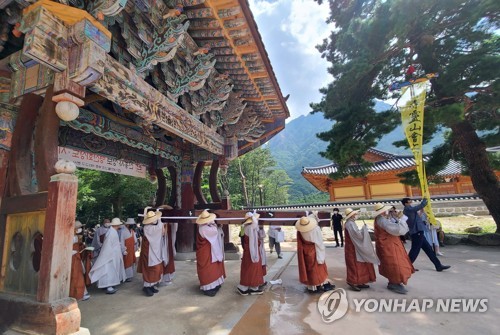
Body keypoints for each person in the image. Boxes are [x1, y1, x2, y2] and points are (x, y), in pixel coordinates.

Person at [374, 203, 415, 294]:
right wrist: (401, 219)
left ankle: (395, 281)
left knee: (394, 263)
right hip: (389, 245)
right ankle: (394, 282)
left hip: (389, 244)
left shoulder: (382, 218)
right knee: (395, 263)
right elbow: (398, 230)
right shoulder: (382, 220)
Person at [402, 198, 450, 272]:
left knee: (429, 250)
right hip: (416, 232)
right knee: (415, 250)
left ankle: (438, 265)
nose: (411, 201)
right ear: (405, 203)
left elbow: (416, 217)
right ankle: (407, 266)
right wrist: (424, 202)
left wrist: (421, 211)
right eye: (409, 201)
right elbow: (418, 207)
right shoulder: (407, 209)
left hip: (418, 231)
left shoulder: (410, 209)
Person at [296, 214, 335, 293]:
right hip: (314, 250)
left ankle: (312, 287)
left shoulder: (300, 230)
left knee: (310, 270)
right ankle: (321, 284)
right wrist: (321, 251)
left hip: (305, 251)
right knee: (318, 269)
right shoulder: (315, 229)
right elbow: (319, 241)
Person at [343, 208, 379, 291]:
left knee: (361, 264)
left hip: (353, 246)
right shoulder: (350, 224)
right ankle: (353, 282)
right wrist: (364, 229)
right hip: (353, 247)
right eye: (354, 214)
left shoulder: (350, 223)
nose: (356, 215)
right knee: (354, 264)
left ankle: (360, 281)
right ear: (351, 215)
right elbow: (358, 235)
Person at [89, 217, 127, 294]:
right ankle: (108, 286)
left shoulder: (113, 231)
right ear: (116, 225)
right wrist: (108, 255)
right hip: (110, 255)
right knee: (108, 271)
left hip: (114, 254)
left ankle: (109, 285)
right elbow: (107, 246)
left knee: (112, 270)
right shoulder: (111, 232)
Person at [196, 210, 226, 297]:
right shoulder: (203, 228)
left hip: (210, 250)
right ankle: (208, 288)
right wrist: (216, 225)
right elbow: (214, 232)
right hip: (206, 252)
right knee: (208, 268)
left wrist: (215, 224)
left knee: (214, 267)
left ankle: (215, 284)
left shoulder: (205, 226)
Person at [138, 210, 164, 297]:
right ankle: (146, 286)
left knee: (156, 268)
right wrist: (159, 219)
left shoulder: (152, 227)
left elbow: (159, 228)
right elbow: (159, 228)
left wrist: (158, 219)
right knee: (150, 268)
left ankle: (152, 285)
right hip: (149, 251)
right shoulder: (148, 228)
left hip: (154, 250)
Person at [237, 213, 265, 296]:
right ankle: (251, 287)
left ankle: (248, 287)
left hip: (248, 250)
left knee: (248, 268)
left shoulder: (244, 227)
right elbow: (255, 224)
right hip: (251, 251)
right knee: (252, 268)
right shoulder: (249, 227)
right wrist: (253, 217)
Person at [69, 220, 91, 301]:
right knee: (76, 276)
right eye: (78, 228)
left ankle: (82, 293)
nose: (80, 229)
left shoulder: (76, 236)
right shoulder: (70, 236)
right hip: (73, 259)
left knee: (79, 275)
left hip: (77, 258)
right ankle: (79, 294)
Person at [159, 205, 177, 287]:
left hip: (168, 242)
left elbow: (175, 227)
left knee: (169, 259)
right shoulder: (159, 223)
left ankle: (168, 277)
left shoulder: (170, 222)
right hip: (162, 244)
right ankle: (162, 279)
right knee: (162, 259)